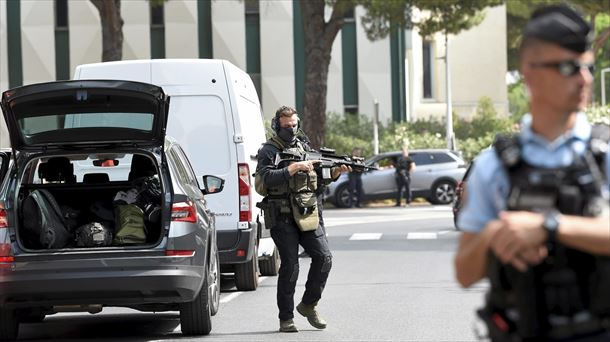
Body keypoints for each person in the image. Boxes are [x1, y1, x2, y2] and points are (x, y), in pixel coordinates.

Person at [455, 5, 610, 342]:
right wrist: (498, 232)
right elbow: (465, 273)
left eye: (588, 67)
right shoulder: (493, 166)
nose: (584, 79)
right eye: (569, 67)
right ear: (529, 72)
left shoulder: (605, 154)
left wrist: (547, 227)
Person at [255, 106, 350, 333]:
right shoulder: (269, 150)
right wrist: (294, 167)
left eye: (294, 125)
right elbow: (265, 178)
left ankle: (309, 304)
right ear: (277, 126)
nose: (291, 129)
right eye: (286, 126)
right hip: (282, 216)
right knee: (291, 266)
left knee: (324, 258)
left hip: (307, 213)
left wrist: (334, 174)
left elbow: (316, 182)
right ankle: (286, 318)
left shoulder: (304, 147)